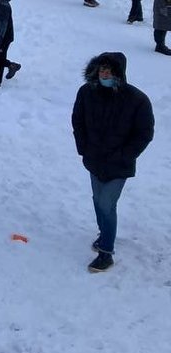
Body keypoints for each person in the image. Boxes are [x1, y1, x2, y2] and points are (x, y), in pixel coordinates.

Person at [71, 52, 154, 272]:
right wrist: (83, 147)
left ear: (119, 73)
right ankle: (104, 235)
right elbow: (78, 120)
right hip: (94, 159)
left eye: (109, 70)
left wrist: (124, 156)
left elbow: (144, 134)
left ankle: (106, 253)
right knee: (98, 200)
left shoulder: (137, 100)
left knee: (107, 204)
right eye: (101, 69)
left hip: (118, 165)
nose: (104, 74)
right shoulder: (87, 92)